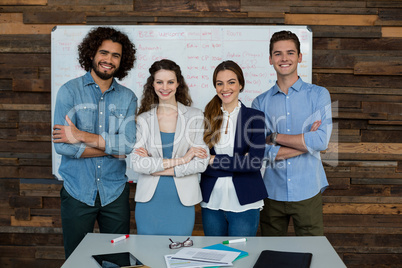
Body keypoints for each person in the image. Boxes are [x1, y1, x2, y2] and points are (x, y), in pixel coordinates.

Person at [52, 27, 137, 258]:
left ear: (122, 61)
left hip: (115, 192)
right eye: (104, 53)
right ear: (91, 54)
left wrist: (81, 135)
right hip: (77, 190)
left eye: (115, 55)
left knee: (118, 259)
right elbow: (62, 146)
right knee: (77, 259)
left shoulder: (128, 97)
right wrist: (111, 149)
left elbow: (128, 144)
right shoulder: (68, 92)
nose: (108, 60)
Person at [252, 30, 332, 236]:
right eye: (278, 53)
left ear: (299, 57)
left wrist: (275, 137)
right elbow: (260, 151)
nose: (284, 58)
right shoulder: (260, 102)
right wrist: (307, 144)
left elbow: (321, 141)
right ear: (270, 59)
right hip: (272, 193)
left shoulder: (319, 95)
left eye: (290, 52)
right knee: (270, 255)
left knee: (311, 254)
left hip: (308, 191)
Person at [130, 59, 209, 236]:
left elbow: (201, 163)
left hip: (182, 201)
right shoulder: (143, 119)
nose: (165, 87)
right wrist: (183, 159)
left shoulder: (195, 116)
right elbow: (137, 164)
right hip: (149, 202)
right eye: (159, 82)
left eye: (170, 82)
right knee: (148, 256)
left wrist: (154, 168)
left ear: (178, 83)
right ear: (153, 84)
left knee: (179, 257)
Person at [200, 60, 268, 236]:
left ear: (241, 84)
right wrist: (239, 162)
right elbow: (200, 159)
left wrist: (214, 160)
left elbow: (253, 163)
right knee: (214, 255)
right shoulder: (205, 116)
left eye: (231, 82)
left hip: (245, 198)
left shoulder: (255, 118)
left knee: (241, 257)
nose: (225, 88)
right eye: (219, 83)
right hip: (212, 198)